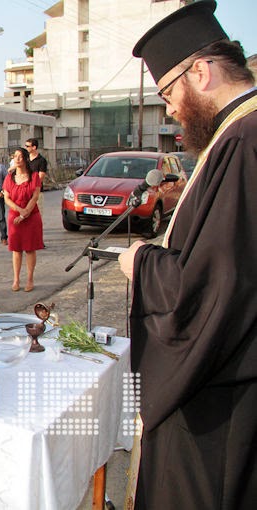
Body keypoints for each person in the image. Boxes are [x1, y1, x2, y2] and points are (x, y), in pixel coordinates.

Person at [118, 2, 257, 507]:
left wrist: (141, 262)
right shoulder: (235, 135)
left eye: (168, 92)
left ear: (200, 71)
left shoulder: (243, 140)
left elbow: (212, 287)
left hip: (221, 392)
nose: (170, 108)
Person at [2, 148, 44, 292]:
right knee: (16, 249)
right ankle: (16, 279)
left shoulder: (34, 176)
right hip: (15, 216)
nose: (17, 159)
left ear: (26, 159)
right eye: (15, 156)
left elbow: (35, 196)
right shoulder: (9, 177)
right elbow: (7, 198)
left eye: (20, 156)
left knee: (30, 249)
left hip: (31, 215)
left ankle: (30, 279)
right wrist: (20, 211)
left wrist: (26, 212)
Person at [25, 138, 48, 224]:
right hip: (25, 191)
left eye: (28, 146)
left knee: (37, 213)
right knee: (26, 213)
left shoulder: (41, 160)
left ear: (34, 147)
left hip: (36, 191)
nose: (26, 148)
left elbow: (40, 177)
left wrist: (31, 186)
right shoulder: (25, 160)